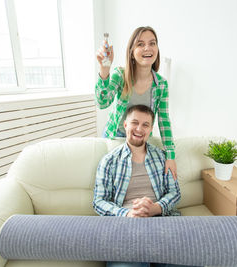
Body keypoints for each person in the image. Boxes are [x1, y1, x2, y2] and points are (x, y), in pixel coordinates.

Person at [93, 105, 182, 267]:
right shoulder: (109, 161)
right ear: (125, 125)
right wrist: (127, 213)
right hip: (125, 225)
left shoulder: (163, 157)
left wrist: (157, 207)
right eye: (135, 123)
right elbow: (99, 201)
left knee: (186, 260)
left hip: (163, 221)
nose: (139, 129)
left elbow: (174, 192)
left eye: (145, 125)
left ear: (150, 129)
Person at [95, 26, 177, 180]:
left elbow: (164, 121)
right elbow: (102, 102)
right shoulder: (120, 75)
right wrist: (104, 69)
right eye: (140, 44)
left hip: (140, 141)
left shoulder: (161, 84)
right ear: (132, 51)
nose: (148, 48)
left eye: (152, 43)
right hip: (115, 137)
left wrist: (170, 156)